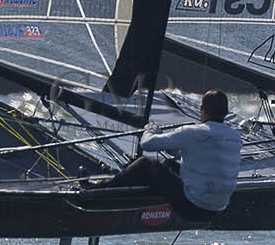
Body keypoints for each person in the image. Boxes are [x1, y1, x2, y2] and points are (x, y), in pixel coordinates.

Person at [89, 89, 242, 220]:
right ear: (226, 113)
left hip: (192, 207)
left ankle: (101, 188)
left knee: (145, 163)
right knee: (169, 164)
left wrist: (150, 129)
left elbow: (147, 144)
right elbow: (203, 156)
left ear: (201, 109)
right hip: (217, 209)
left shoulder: (193, 132)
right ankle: (124, 179)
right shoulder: (235, 137)